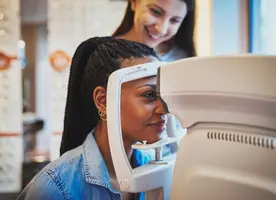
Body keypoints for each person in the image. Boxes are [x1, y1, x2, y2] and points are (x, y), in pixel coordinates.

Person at [17, 37, 168, 200]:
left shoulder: (155, 168)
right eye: (149, 95)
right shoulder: (55, 188)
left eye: (164, 95)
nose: (164, 109)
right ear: (103, 101)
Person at [113, 0, 197, 61]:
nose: (161, 30)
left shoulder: (182, 59)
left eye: (174, 20)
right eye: (155, 11)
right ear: (133, 2)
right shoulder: (105, 53)